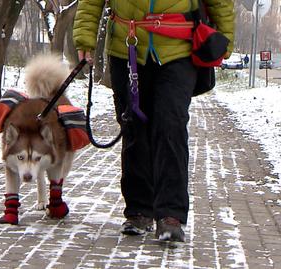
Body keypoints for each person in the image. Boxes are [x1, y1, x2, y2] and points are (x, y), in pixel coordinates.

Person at [73, 0, 234, 242]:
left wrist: (225, 37)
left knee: (171, 126)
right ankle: (139, 210)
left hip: (178, 50)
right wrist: (85, 37)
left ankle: (170, 214)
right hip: (126, 46)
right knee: (134, 130)